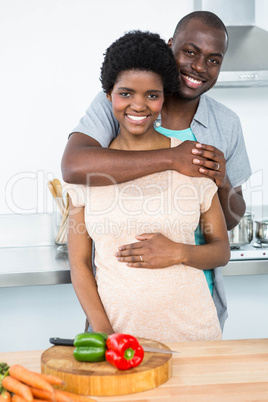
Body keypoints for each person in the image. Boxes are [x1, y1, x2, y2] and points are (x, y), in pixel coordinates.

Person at [61, 11, 252, 329]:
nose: (199, 67)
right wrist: (172, 158)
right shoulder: (116, 103)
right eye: (190, 52)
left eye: (213, 60)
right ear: (170, 47)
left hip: (194, 306)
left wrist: (222, 181)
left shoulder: (226, 124)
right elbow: (74, 165)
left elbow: (226, 226)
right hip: (120, 318)